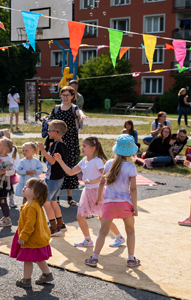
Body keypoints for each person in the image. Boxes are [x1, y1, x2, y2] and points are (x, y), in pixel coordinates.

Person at [54, 136, 126, 248]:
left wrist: (92, 181)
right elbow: (71, 172)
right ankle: (87, 240)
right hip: (87, 192)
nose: (81, 148)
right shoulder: (84, 161)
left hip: (98, 192)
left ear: (93, 149)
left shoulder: (97, 161)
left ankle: (119, 237)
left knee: (103, 218)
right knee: (80, 216)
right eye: (81, 145)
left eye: (84, 146)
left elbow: (105, 176)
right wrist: (60, 161)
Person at [84, 134, 140, 268]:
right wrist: (135, 206)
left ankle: (94, 258)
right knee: (130, 230)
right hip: (125, 203)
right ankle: (131, 259)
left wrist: (99, 198)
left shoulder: (109, 163)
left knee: (103, 231)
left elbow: (102, 182)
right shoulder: (131, 167)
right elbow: (133, 189)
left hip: (109, 203)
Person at [10, 178, 54, 288]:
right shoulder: (34, 204)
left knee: (27, 259)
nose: (25, 187)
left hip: (31, 238)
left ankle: (26, 280)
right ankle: (47, 274)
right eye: (26, 185)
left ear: (37, 193)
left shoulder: (31, 206)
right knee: (39, 257)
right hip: (38, 237)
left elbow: (30, 224)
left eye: (28, 186)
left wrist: (23, 236)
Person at [48, 86, 84, 206]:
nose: (65, 97)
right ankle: (56, 197)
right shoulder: (56, 109)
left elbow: (79, 112)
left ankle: (70, 197)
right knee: (58, 167)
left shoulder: (75, 108)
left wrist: (82, 115)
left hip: (72, 143)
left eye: (68, 95)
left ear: (73, 96)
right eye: (63, 95)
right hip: (59, 142)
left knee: (71, 168)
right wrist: (46, 119)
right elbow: (50, 120)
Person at [37, 119, 69, 236]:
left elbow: (52, 161)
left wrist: (42, 150)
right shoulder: (61, 144)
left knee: (46, 202)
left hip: (53, 178)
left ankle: (54, 228)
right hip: (58, 177)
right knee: (54, 201)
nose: (47, 132)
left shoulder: (57, 145)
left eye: (49, 130)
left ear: (56, 132)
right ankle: (60, 224)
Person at [0, 137, 17, 228]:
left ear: (6, 148)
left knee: (3, 200)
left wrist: (3, 172)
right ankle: (4, 216)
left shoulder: (9, 159)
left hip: (4, 183)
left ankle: (7, 219)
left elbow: (13, 171)